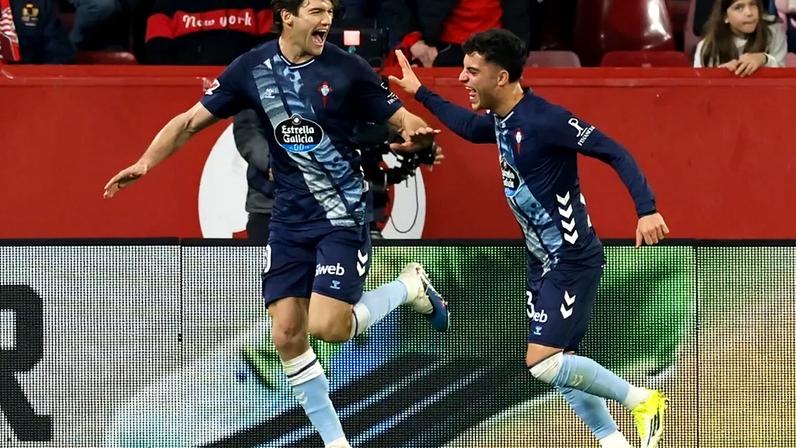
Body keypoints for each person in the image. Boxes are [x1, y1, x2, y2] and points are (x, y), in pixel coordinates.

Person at [102, 0, 449, 446]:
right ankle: (336, 441)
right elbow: (189, 122)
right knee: (286, 334)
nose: (328, 19)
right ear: (287, 15)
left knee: (328, 328)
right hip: (287, 218)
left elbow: (403, 119)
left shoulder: (350, 69)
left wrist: (416, 133)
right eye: (317, 10)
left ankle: (409, 286)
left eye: (330, 10)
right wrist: (144, 163)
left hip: (339, 213)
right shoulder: (252, 68)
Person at [389, 29, 670, 448]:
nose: (463, 79)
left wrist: (646, 209)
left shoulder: (545, 120)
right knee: (562, 363)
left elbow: (615, 151)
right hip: (541, 262)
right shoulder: (503, 120)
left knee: (541, 362)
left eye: (471, 71)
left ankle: (644, 400)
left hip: (571, 257)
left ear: (501, 78)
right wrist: (419, 93)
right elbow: (467, 127)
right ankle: (614, 443)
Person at [694, 0, 787, 75]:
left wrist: (764, 59)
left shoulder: (774, 32)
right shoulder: (707, 46)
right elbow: (700, 89)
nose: (749, 13)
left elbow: (783, 77)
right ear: (725, 17)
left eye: (752, 4)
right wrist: (721, 74)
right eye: (739, 7)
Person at [233, 108, 275, 244]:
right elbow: (248, 130)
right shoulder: (254, 88)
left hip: (326, 206)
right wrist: (274, 165)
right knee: (268, 263)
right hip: (268, 205)